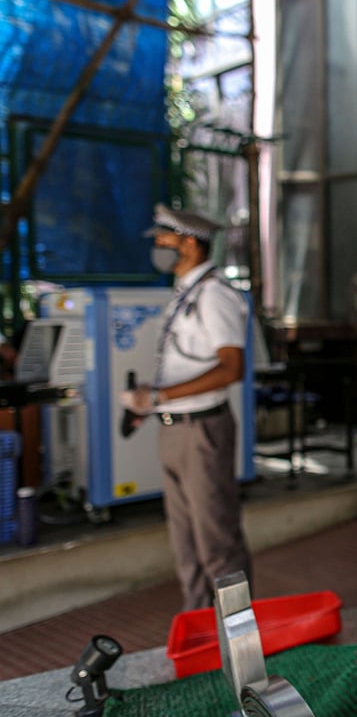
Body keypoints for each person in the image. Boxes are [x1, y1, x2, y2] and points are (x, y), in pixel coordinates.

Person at [121, 203, 252, 611]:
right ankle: (199, 629)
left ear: (190, 244)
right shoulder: (185, 293)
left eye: (165, 239)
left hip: (202, 432)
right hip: (175, 428)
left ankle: (237, 640)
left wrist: (160, 396)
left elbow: (233, 368)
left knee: (216, 542)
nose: (158, 247)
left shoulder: (214, 296)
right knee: (185, 542)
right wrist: (151, 400)